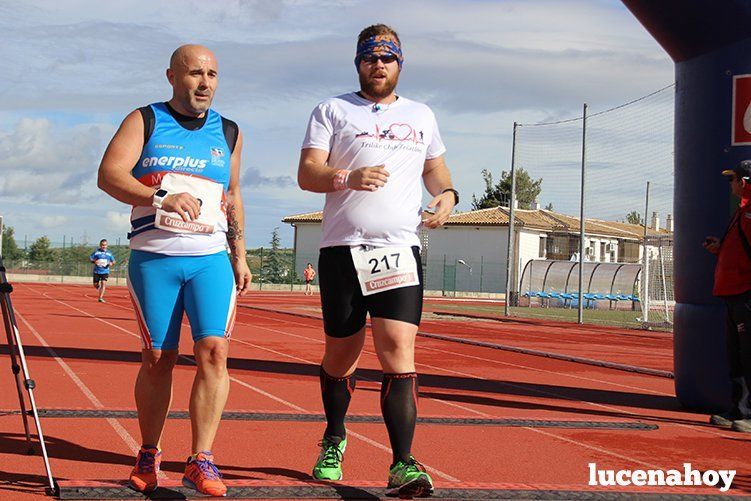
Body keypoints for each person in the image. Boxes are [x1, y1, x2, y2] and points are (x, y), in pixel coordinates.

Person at [297, 24, 457, 498]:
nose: (378, 65)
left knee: (397, 354)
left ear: (400, 63)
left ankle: (403, 463)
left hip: (398, 250)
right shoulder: (331, 109)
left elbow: (436, 169)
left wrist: (447, 195)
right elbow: (308, 173)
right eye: (370, 57)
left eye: (387, 57)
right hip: (343, 250)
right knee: (341, 357)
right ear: (358, 63)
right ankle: (334, 436)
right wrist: (349, 175)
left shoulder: (421, 115)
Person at [97, 44, 251, 496]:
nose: (205, 83)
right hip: (156, 257)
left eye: (213, 74)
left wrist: (239, 253)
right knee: (158, 359)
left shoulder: (229, 131)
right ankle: (149, 450)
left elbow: (234, 193)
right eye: (195, 73)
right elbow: (109, 175)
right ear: (171, 76)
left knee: (214, 353)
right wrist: (158, 195)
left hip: (209, 259)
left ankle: (201, 458)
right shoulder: (144, 120)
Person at [704, 160, 751, 432]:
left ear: (743, 182)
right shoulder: (741, 212)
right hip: (733, 294)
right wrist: (720, 249)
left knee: (749, 354)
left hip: (746, 294)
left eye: (731, 179)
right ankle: (739, 408)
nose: (730, 184)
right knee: (736, 355)